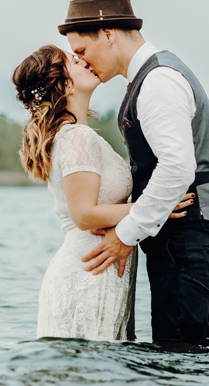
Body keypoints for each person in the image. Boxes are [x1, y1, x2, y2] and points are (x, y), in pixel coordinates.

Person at [61, 0, 209, 350]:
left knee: (179, 360)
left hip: (189, 236)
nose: (81, 61)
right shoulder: (150, 76)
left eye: (81, 49)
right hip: (182, 239)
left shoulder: (158, 81)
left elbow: (177, 167)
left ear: (108, 33)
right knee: (182, 357)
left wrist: (125, 234)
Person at [11, 44, 193, 341]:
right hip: (87, 271)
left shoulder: (78, 134)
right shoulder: (77, 138)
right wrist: (156, 207)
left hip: (98, 266)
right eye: (73, 60)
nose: (82, 59)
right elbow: (84, 215)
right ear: (63, 82)